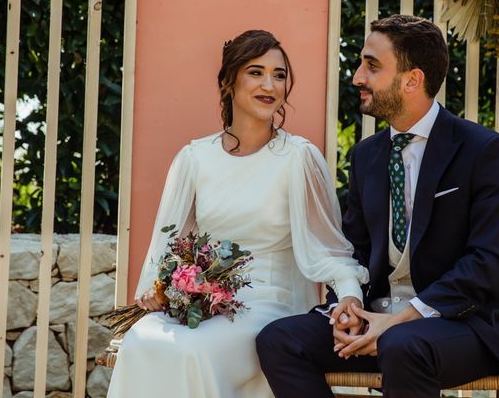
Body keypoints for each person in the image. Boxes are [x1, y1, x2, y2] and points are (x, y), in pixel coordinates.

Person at [256, 15, 499, 398]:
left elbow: (491, 262)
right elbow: (356, 252)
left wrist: (404, 317)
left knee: (403, 345)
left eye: (371, 65)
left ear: (411, 80)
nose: (357, 77)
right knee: (280, 339)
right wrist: (347, 305)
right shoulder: (366, 156)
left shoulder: (482, 150)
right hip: (379, 319)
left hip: (460, 326)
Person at [106, 30, 369, 398]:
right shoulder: (194, 158)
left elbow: (328, 247)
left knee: (193, 352)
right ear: (229, 82)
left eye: (279, 75)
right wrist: (159, 290)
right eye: (256, 72)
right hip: (203, 307)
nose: (270, 84)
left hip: (267, 307)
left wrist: (349, 294)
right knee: (141, 340)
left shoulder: (298, 158)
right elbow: (167, 247)